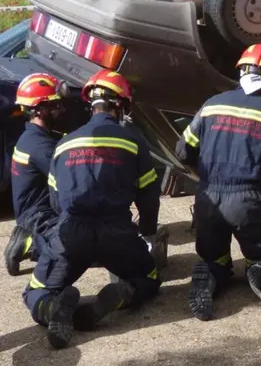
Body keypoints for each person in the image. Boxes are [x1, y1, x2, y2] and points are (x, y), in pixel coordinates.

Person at [23, 69, 162, 349]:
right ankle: (123, 293)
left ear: (91, 105)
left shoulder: (64, 144)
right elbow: (149, 197)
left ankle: (52, 308)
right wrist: (146, 232)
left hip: (72, 234)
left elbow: (55, 201)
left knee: (36, 291)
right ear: (120, 105)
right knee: (148, 277)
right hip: (117, 234)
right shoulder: (133, 141)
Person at [175, 42, 261, 322]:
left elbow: (182, 151)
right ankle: (260, 271)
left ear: (240, 70)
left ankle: (209, 275)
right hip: (250, 200)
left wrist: (205, 176)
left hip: (208, 200)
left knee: (214, 258)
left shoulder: (212, 105)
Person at [3, 73, 68, 276]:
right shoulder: (40, 147)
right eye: (55, 105)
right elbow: (70, 180)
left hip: (34, 211)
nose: (62, 110)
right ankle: (30, 242)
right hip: (39, 216)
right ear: (39, 110)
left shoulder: (34, 136)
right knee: (80, 243)